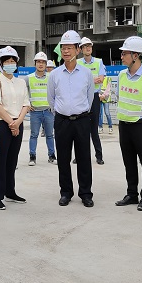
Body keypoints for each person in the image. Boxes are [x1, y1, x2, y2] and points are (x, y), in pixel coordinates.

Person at [48, 30, 95, 207]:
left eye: (69, 48)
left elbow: (90, 98)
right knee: (63, 158)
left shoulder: (86, 73)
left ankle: (86, 193)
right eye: (63, 48)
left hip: (82, 120)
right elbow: (51, 99)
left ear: (78, 49)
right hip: (62, 121)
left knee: (84, 158)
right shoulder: (55, 74)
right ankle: (66, 192)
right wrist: (61, 113)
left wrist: (80, 112)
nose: (66, 51)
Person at [114, 37, 142, 211]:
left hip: (141, 125)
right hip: (124, 125)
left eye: (124, 53)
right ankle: (132, 194)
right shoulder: (121, 75)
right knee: (129, 162)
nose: (122, 56)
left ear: (135, 55)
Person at [0, 46, 29, 210]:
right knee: (0, 160)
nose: (10, 64)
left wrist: (18, 122)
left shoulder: (21, 82)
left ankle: (10, 191)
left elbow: (26, 104)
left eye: (13, 61)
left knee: (12, 160)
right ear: (1, 63)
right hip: (3, 124)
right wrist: (11, 123)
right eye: (7, 61)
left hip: (18, 123)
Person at [78, 37, 105, 164]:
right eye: (85, 46)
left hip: (94, 97)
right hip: (81, 98)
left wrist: (86, 80)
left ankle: (99, 156)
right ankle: (79, 156)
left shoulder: (99, 62)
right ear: (81, 49)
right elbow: (77, 81)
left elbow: (101, 79)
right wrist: (92, 80)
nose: (87, 48)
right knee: (80, 130)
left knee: (94, 129)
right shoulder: (78, 63)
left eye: (89, 46)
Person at [27, 52, 56, 166]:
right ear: (35, 63)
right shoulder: (29, 78)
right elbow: (23, 92)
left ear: (46, 64)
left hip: (48, 111)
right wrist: (27, 104)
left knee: (50, 135)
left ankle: (52, 156)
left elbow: (56, 93)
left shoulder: (51, 77)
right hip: (35, 112)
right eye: (38, 62)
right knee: (34, 135)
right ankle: (32, 157)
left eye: (43, 62)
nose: (41, 64)